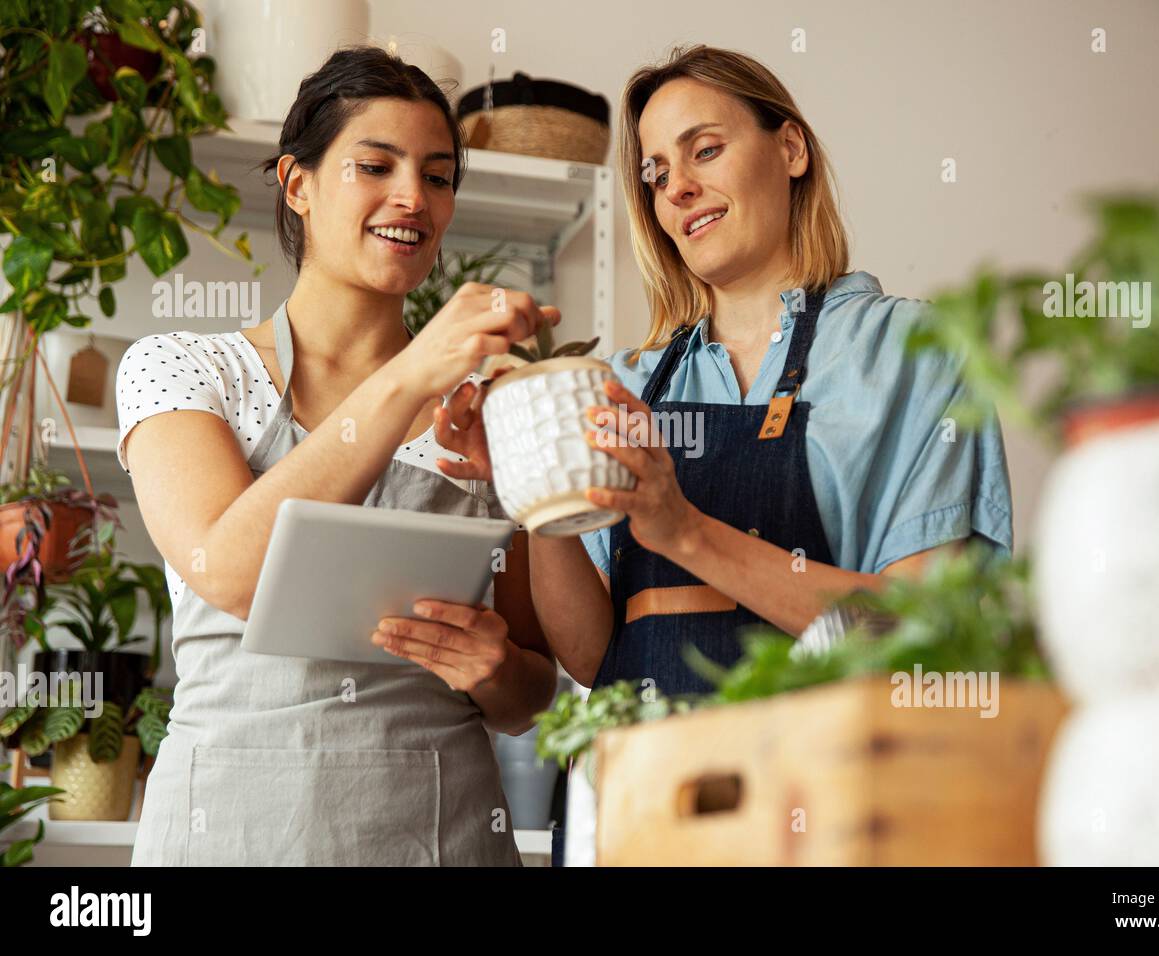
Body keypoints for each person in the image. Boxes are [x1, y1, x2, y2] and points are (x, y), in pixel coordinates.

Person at [449, 44, 1013, 696]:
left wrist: (685, 532)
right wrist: (533, 484)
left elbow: (929, 634)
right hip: (653, 781)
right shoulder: (625, 384)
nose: (678, 186)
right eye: (657, 174)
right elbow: (592, 657)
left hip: (837, 775)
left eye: (705, 150)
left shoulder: (914, 352)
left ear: (792, 150)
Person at [116, 47, 557, 865]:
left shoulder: (484, 408)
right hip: (226, 831)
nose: (412, 198)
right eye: (375, 165)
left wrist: (493, 668)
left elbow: (529, 690)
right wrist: (416, 371)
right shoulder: (183, 368)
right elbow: (230, 569)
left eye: (437, 175)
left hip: (437, 834)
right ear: (297, 184)